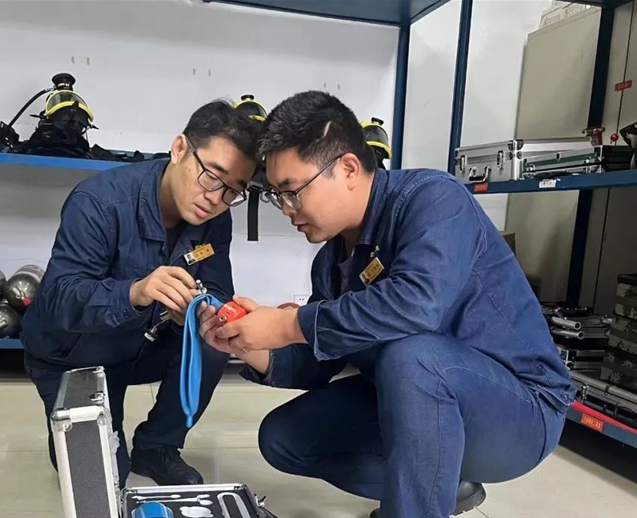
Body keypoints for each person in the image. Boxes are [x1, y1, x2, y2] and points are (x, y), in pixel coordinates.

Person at [197, 91, 575, 518]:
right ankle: (440, 486)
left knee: (413, 356)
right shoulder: (331, 262)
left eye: (292, 192)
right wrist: (250, 345)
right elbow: (317, 362)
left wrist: (287, 325)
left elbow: (416, 306)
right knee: (285, 437)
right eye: (276, 196)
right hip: (413, 401)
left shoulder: (434, 200)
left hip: (521, 410)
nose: (286, 209)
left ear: (348, 168)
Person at [21, 99, 260, 487]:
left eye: (233, 191)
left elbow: (218, 288)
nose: (216, 198)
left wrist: (200, 312)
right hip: (74, 352)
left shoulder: (215, 218)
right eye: (211, 176)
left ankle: (157, 446)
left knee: (214, 340)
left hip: (143, 342)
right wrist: (136, 291)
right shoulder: (99, 202)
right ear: (179, 148)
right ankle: (80, 431)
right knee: (98, 479)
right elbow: (61, 299)